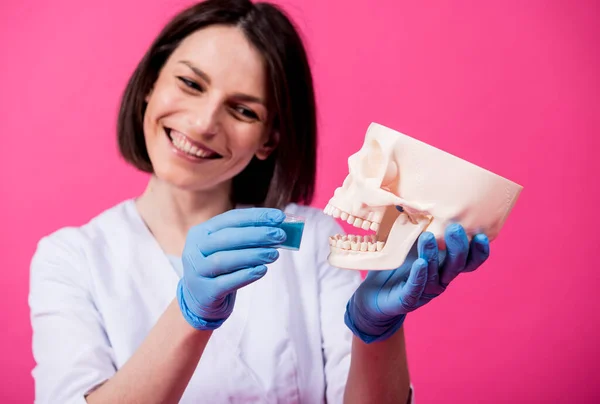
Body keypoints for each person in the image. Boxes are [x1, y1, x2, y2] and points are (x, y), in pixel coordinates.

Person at [28, 0, 491, 402]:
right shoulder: (70, 257)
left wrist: (379, 333)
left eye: (243, 109)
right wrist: (189, 313)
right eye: (191, 84)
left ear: (269, 139)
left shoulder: (313, 242)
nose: (205, 122)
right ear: (151, 84)